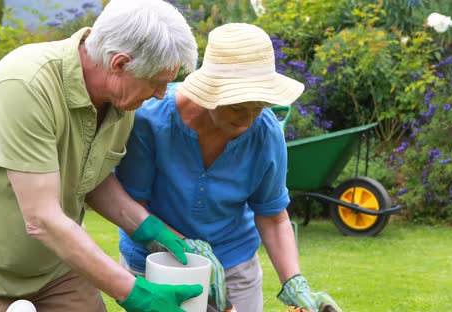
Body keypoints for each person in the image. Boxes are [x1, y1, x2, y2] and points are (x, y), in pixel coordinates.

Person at [0, 0, 203, 311]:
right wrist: (135, 292)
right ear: (120, 63)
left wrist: (148, 228)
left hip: (59, 268)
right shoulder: (26, 83)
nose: (159, 94)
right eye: (156, 82)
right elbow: (42, 218)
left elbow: (89, 176)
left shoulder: (122, 100)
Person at [115, 23, 343, 312]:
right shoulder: (152, 121)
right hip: (155, 263)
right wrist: (187, 250)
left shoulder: (265, 132)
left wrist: (294, 282)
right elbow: (131, 206)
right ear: (209, 92)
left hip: (233, 263)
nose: (248, 121)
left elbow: (272, 217)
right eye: (237, 107)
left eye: (258, 106)